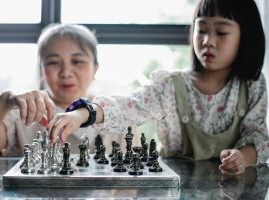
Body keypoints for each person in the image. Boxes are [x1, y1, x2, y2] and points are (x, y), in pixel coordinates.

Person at [47, 0, 269, 175]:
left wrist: (242, 157)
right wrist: (82, 113)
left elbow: (257, 137)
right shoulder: (170, 86)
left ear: (246, 36)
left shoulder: (253, 86)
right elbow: (127, 107)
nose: (207, 41)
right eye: (201, 30)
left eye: (221, 32)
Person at [0, 23, 106, 157]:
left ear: (95, 68)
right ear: (41, 70)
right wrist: (5, 101)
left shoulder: (114, 111)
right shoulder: (21, 113)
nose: (66, 73)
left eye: (77, 61)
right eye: (53, 62)